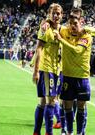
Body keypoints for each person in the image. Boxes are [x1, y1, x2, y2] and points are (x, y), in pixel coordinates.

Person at [53, 7, 93, 135]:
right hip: (68, 75)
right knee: (67, 106)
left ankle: (80, 132)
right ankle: (68, 131)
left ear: (81, 21)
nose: (72, 26)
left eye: (75, 23)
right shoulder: (64, 31)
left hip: (82, 76)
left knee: (81, 106)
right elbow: (53, 23)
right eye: (70, 23)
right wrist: (46, 23)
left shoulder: (87, 35)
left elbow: (77, 51)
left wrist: (61, 40)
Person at [32, 3, 63, 135]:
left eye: (58, 13)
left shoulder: (63, 29)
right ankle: (48, 132)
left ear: (62, 15)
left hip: (58, 69)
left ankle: (36, 131)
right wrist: (36, 71)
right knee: (51, 101)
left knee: (44, 101)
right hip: (46, 68)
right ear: (49, 14)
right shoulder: (45, 28)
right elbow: (39, 48)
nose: (56, 15)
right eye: (53, 13)